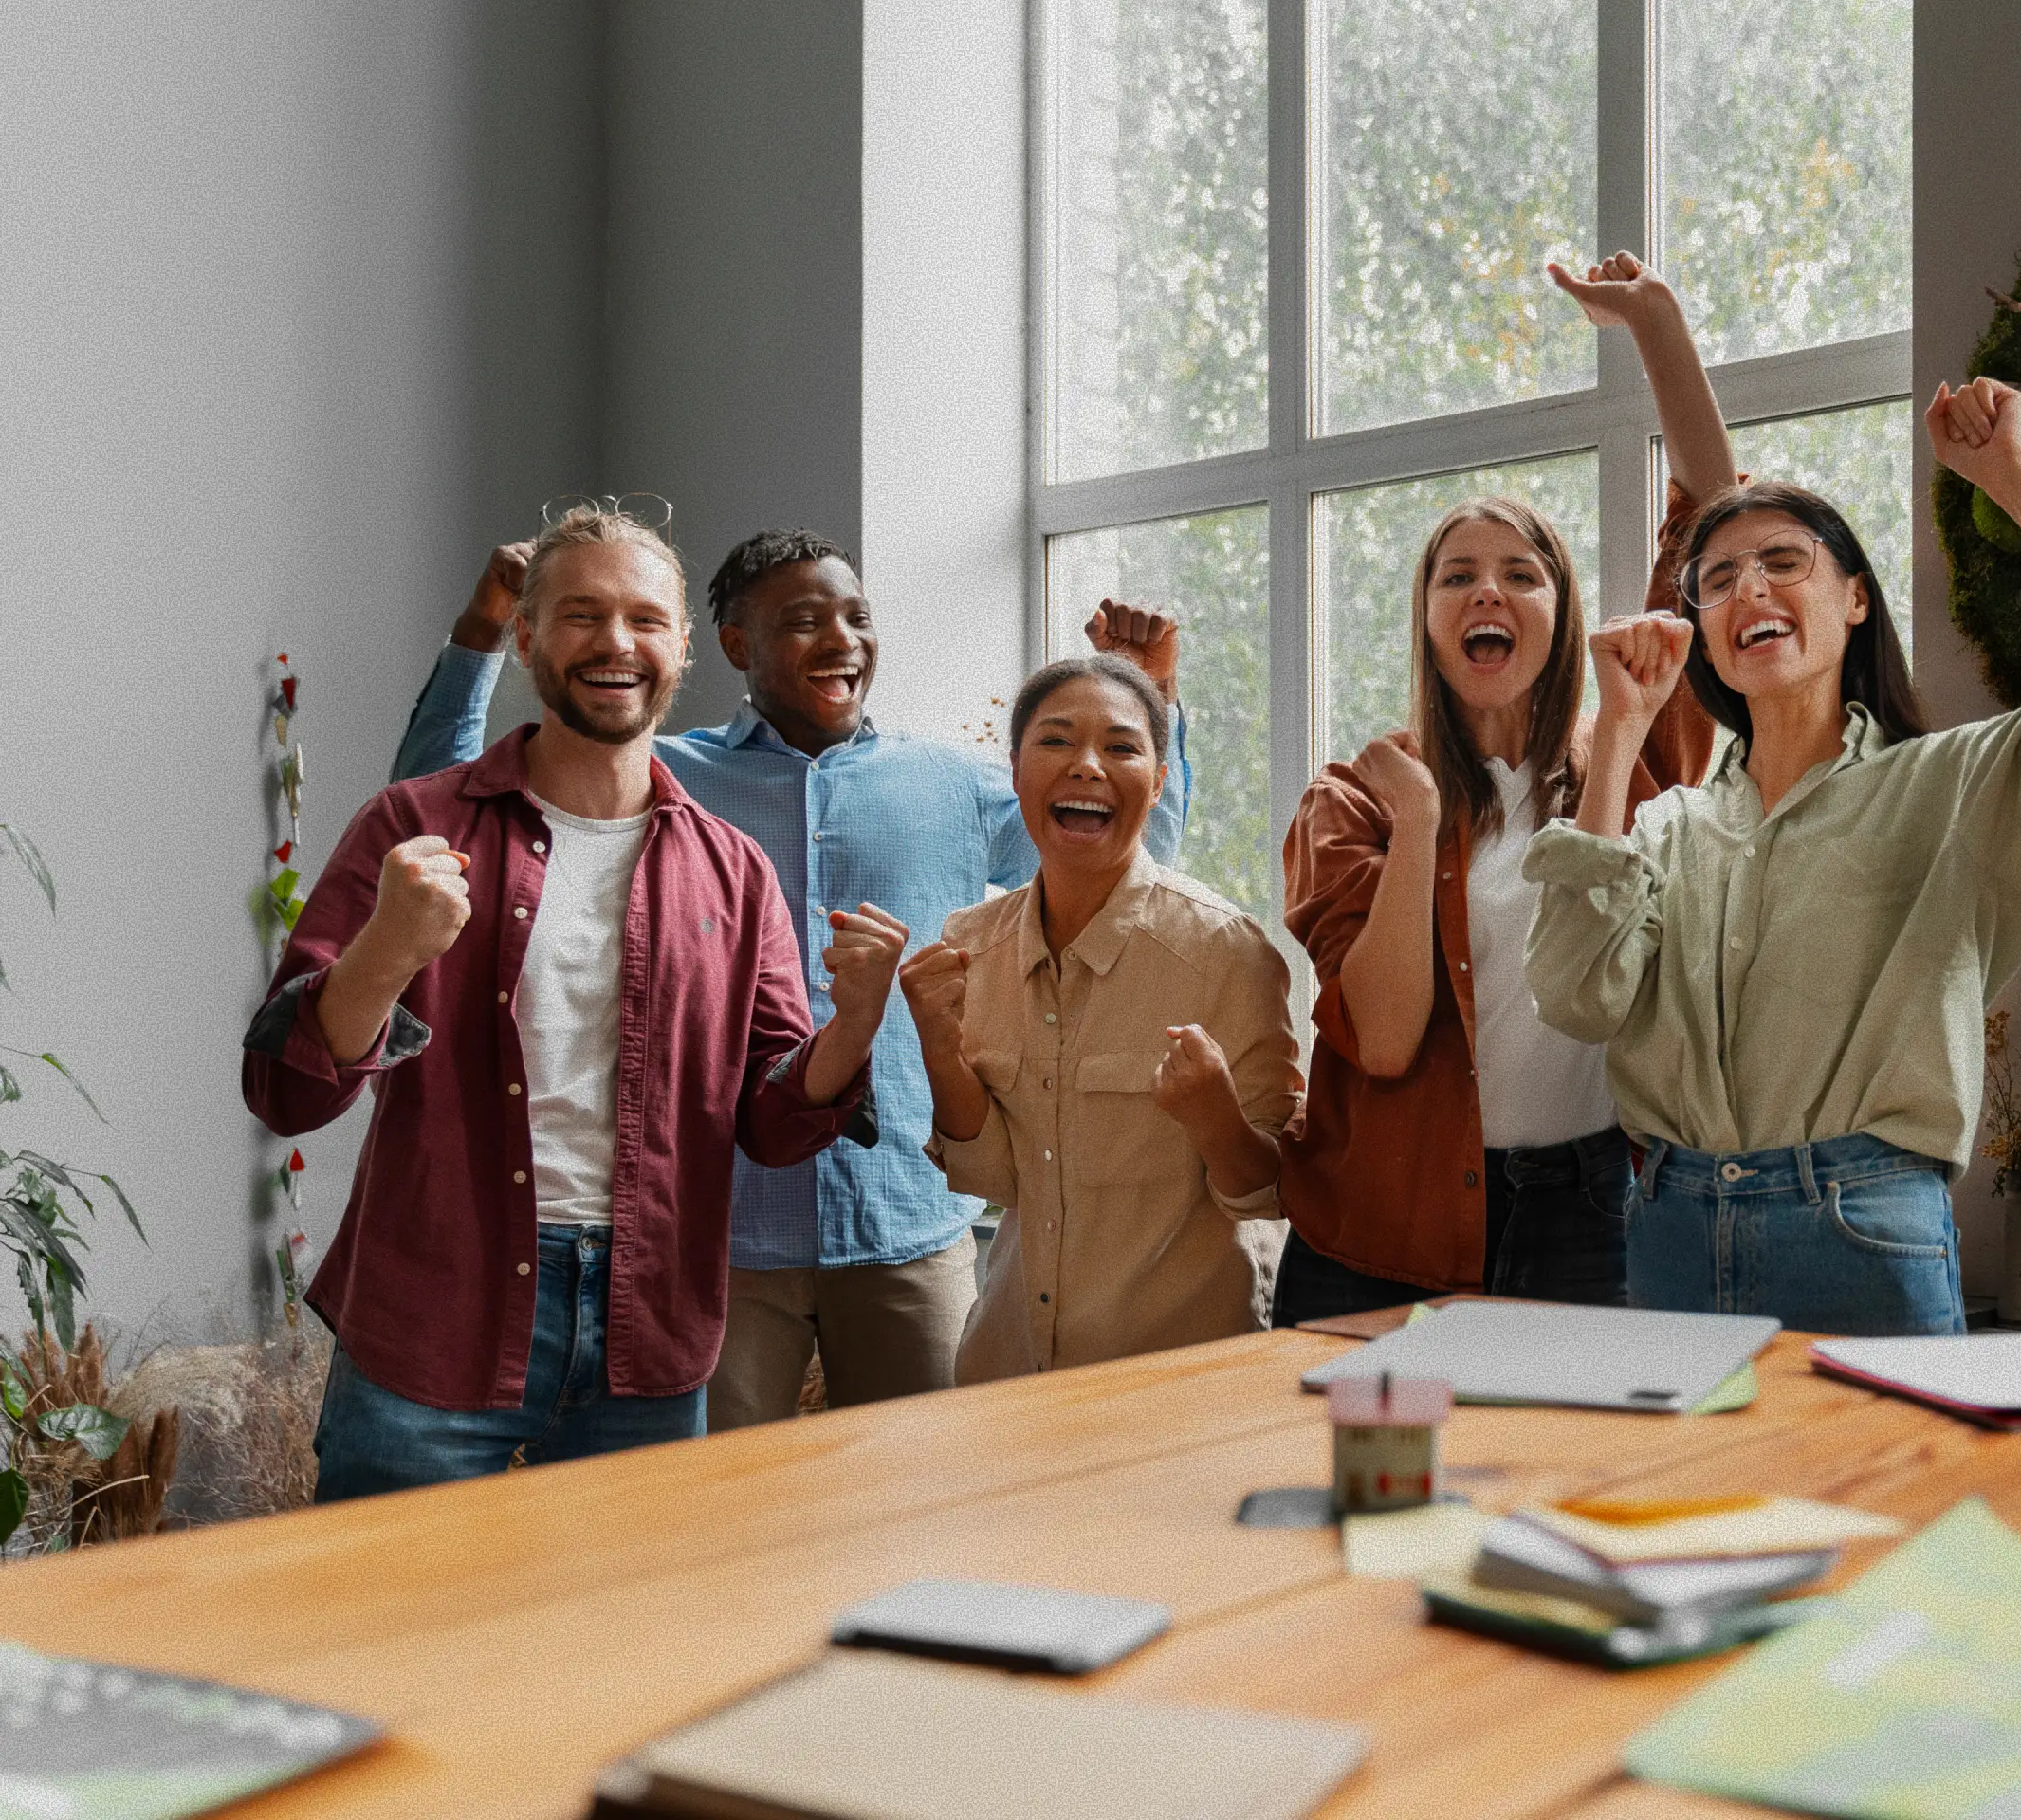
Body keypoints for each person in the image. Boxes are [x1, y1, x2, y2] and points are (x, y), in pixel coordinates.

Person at [1524, 252, 2021, 1336]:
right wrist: (1620, 730)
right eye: (1717, 578)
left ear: (1854, 600)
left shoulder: (1952, 788)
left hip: (1859, 1228)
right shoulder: (1668, 825)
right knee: (1682, 1514)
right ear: (1703, 631)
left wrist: (2018, 482)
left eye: (1783, 561)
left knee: (1892, 1515)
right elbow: (1577, 995)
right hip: (1666, 1228)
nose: (1746, 586)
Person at [392, 529, 1189, 1427]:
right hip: (723, 1234)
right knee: (724, 1523)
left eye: (856, 617)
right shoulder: (658, 780)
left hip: (909, 1224)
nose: (841, 640)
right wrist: (484, 626)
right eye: (805, 621)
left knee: (920, 1513)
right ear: (735, 644)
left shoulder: (955, 787)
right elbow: (430, 803)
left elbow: (1137, 854)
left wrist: (1144, 692)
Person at [245, 506, 897, 1498]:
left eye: (644, 617)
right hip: (435, 1306)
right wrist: (385, 950)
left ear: (683, 647)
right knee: (379, 1635)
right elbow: (286, 1095)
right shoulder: (415, 823)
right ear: (526, 637)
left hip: (649, 1326)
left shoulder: (734, 871)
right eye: (582, 614)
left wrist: (852, 1027)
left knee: (620, 1644)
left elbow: (770, 1119)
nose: (615, 642)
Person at [900, 655, 1297, 1384]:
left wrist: (1215, 1118)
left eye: (1120, 747)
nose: (1086, 765)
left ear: (1159, 780)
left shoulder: (1225, 952)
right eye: (1055, 741)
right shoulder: (968, 946)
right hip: (1009, 1370)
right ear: (1015, 770)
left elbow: (1268, 1192)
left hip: (1181, 1380)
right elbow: (990, 1173)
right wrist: (938, 1048)